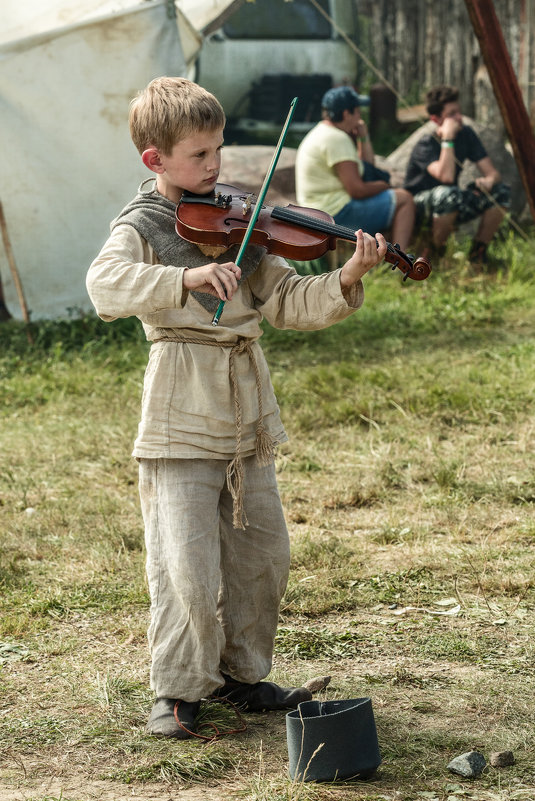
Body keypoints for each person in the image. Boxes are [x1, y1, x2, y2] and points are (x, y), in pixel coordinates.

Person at [86, 77, 387, 740]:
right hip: (180, 403)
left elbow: (285, 302)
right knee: (185, 564)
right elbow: (103, 286)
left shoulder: (243, 223)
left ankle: (242, 674)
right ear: (155, 160)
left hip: (246, 409)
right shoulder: (141, 225)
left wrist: (343, 279)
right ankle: (177, 687)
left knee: (261, 555)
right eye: (198, 155)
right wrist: (183, 277)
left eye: (218, 150)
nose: (215, 167)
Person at [295, 86, 415, 252]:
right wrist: (385, 185)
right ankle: (401, 259)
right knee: (405, 198)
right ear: (346, 114)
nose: (360, 117)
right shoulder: (337, 139)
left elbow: (366, 168)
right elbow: (357, 190)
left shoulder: (322, 131)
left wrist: (363, 136)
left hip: (318, 210)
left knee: (395, 195)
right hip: (335, 214)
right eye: (357, 112)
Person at [404, 84, 511, 263]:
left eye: (459, 112)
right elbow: (445, 176)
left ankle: (478, 254)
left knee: (501, 192)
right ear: (436, 119)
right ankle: (436, 255)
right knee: (448, 194)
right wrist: (448, 139)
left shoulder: (466, 134)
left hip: (449, 201)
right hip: (418, 207)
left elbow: (493, 174)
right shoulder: (426, 144)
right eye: (452, 114)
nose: (459, 118)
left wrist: (488, 181)